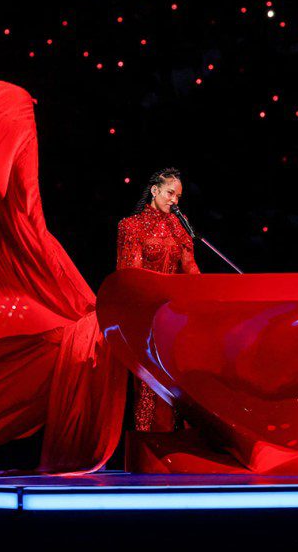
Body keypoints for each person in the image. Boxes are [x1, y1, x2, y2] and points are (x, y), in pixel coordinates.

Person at [116, 168, 200, 433]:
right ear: (154, 191)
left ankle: (184, 439)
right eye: (170, 193)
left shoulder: (180, 224)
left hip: (175, 314)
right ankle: (149, 439)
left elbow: (190, 269)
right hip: (147, 313)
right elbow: (132, 275)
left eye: (178, 196)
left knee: (182, 374)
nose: (174, 200)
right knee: (149, 379)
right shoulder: (131, 226)